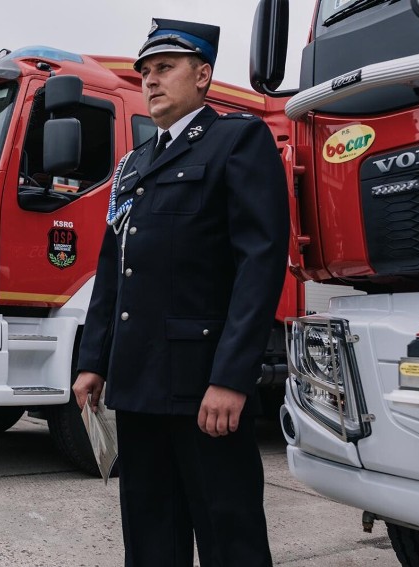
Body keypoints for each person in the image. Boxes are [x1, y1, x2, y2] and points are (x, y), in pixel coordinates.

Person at [73, 19, 289, 567]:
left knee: (228, 533)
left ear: (204, 75)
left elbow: (259, 265)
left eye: (164, 68)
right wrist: (93, 360)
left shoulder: (237, 140)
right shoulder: (133, 164)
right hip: (138, 381)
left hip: (203, 389)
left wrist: (230, 378)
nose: (150, 80)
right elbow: (112, 268)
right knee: (150, 536)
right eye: (145, 71)